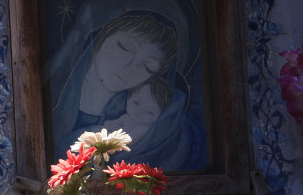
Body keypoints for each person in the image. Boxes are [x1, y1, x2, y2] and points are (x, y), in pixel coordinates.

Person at [51, 11, 209, 171]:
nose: (131, 67)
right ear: (101, 35)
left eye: (149, 66)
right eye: (125, 48)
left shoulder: (167, 125)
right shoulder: (52, 99)